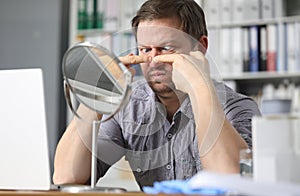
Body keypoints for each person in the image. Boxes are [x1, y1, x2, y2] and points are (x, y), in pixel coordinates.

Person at [53, 0, 261, 190]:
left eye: (166, 49)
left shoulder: (238, 108)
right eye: (145, 50)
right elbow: (65, 177)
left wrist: (199, 85)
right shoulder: (130, 107)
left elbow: (233, 184)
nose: (153, 61)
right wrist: (98, 93)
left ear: (200, 47)